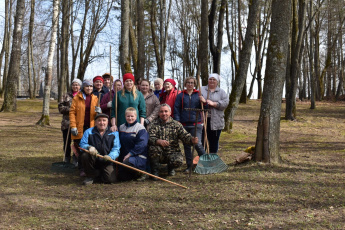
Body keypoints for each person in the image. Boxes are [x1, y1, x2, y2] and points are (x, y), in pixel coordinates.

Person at [148, 104, 199, 179]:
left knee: (178, 161)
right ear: (159, 113)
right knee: (152, 149)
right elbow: (149, 138)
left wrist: (192, 140)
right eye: (161, 112)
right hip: (159, 152)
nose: (164, 113)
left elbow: (185, 136)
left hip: (172, 152)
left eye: (166, 111)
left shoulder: (176, 124)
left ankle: (170, 168)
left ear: (170, 112)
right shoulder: (153, 124)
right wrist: (158, 141)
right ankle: (155, 171)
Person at [174, 77, 206, 173]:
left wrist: (204, 102)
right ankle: (189, 166)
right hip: (184, 124)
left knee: (197, 144)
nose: (190, 84)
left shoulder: (199, 94)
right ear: (185, 84)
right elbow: (176, 109)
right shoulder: (181, 95)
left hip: (196, 123)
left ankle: (206, 163)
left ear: (194, 84)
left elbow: (205, 107)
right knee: (187, 146)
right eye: (188, 82)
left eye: (192, 83)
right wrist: (178, 121)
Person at [69, 79, 101, 175]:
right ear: (83, 87)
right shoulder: (77, 98)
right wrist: (73, 126)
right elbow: (72, 112)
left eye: (91, 86)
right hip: (79, 127)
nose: (89, 88)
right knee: (80, 148)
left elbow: (98, 115)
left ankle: (90, 167)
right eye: (87, 86)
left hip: (91, 127)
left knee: (90, 147)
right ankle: (82, 169)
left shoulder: (95, 98)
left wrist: (99, 112)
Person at [80, 113, 120, 185]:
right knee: (85, 155)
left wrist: (111, 156)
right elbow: (82, 144)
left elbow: (116, 149)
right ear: (95, 122)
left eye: (104, 120)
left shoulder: (114, 133)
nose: (102, 123)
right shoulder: (88, 132)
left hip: (107, 160)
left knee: (110, 180)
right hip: (93, 160)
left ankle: (99, 174)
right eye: (99, 120)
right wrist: (89, 147)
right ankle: (90, 176)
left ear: (108, 122)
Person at [199, 73, 229, 153]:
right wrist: (202, 101)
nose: (212, 81)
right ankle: (202, 159)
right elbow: (195, 102)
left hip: (216, 120)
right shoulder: (201, 89)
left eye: (214, 79)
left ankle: (212, 160)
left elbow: (225, 103)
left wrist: (214, 104)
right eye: (210, 79)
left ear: (217, 82)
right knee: (202, 142)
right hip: (203, 119)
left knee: (214, 142)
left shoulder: (221, 92)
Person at [118, 107, 149, 181]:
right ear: (125, 116)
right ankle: (133, 174)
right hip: (125, 157)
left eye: (132, 116)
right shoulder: (121, 127)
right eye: (128, 116)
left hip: (138, 156)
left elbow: (142, 144)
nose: (130, 118)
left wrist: (131, 153)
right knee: (122, 178)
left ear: (136, 116)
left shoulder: (140, 128)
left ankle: (141, 173)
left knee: (127, 163)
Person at [58, 78, 82, 164]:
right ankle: (67, 157)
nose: (75, 86)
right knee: (67, 141)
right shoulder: (66, 96)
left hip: (78, 123)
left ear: (80, 86)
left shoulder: (82, 95)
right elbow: (60, 108)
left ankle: (76, 157)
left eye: (77, 85)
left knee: (77, 142)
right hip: (67, 123)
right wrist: (70, 109)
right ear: (71, 86)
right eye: (74, 84)